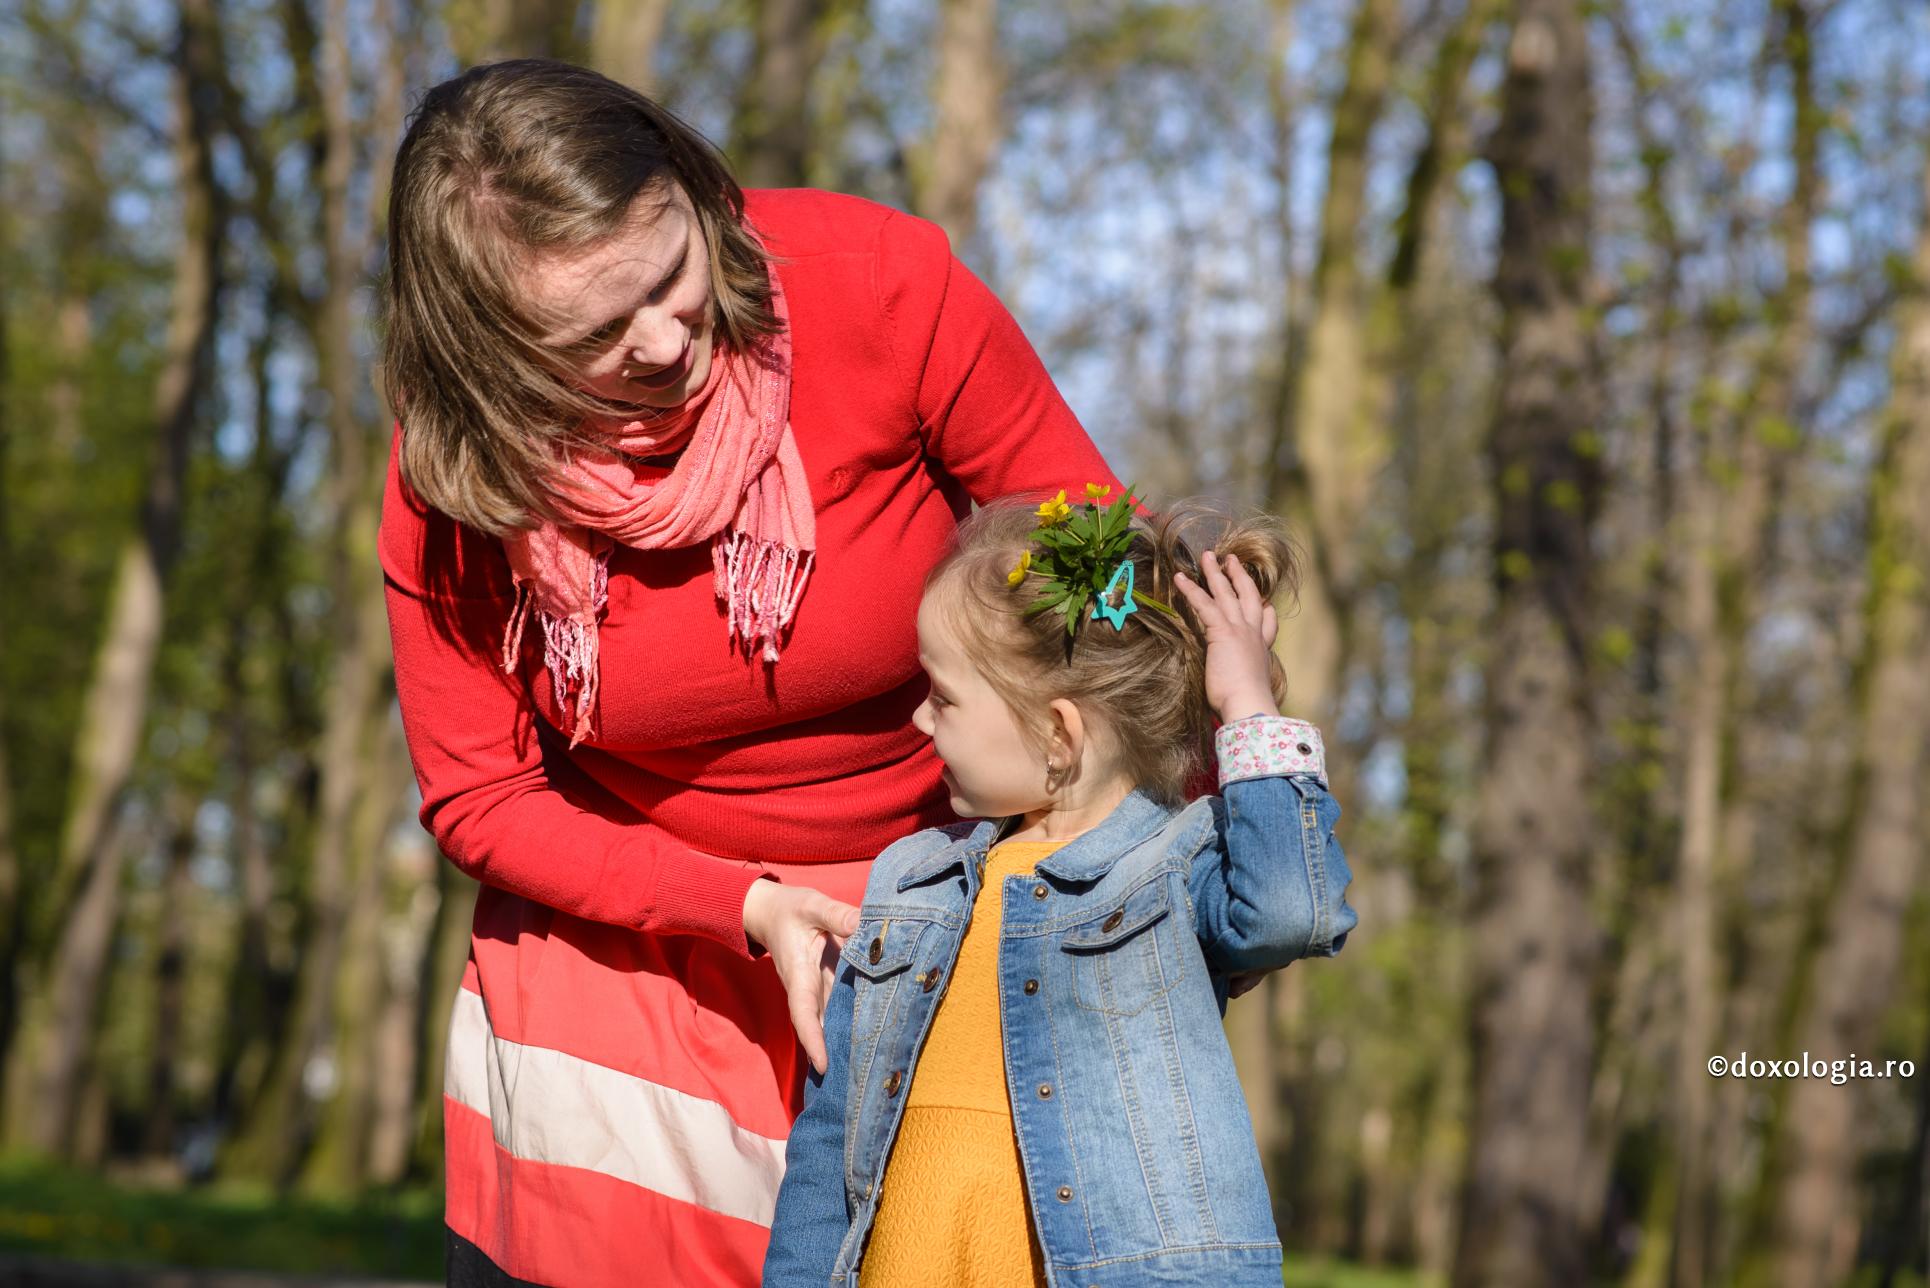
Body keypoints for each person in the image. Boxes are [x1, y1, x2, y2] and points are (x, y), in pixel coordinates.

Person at [376, 58, 1124, 1286]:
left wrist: (1158, 818)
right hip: (620, 931)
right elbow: (481, 797)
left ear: (694, 193)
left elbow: (1096, 543)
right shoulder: (446, 479)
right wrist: (742, 906)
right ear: (491, 356)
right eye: (595, 334)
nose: (668, 341)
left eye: (670, 277)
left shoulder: (875, 281)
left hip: (929, 905)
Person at [762, 489, 1358, 1287]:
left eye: (942, 696)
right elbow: (830, 1142)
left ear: (1058, 734)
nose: (918, 720)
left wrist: (1245, 704)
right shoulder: (910, 883)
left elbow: (1291, 909)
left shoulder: (1174, 869)